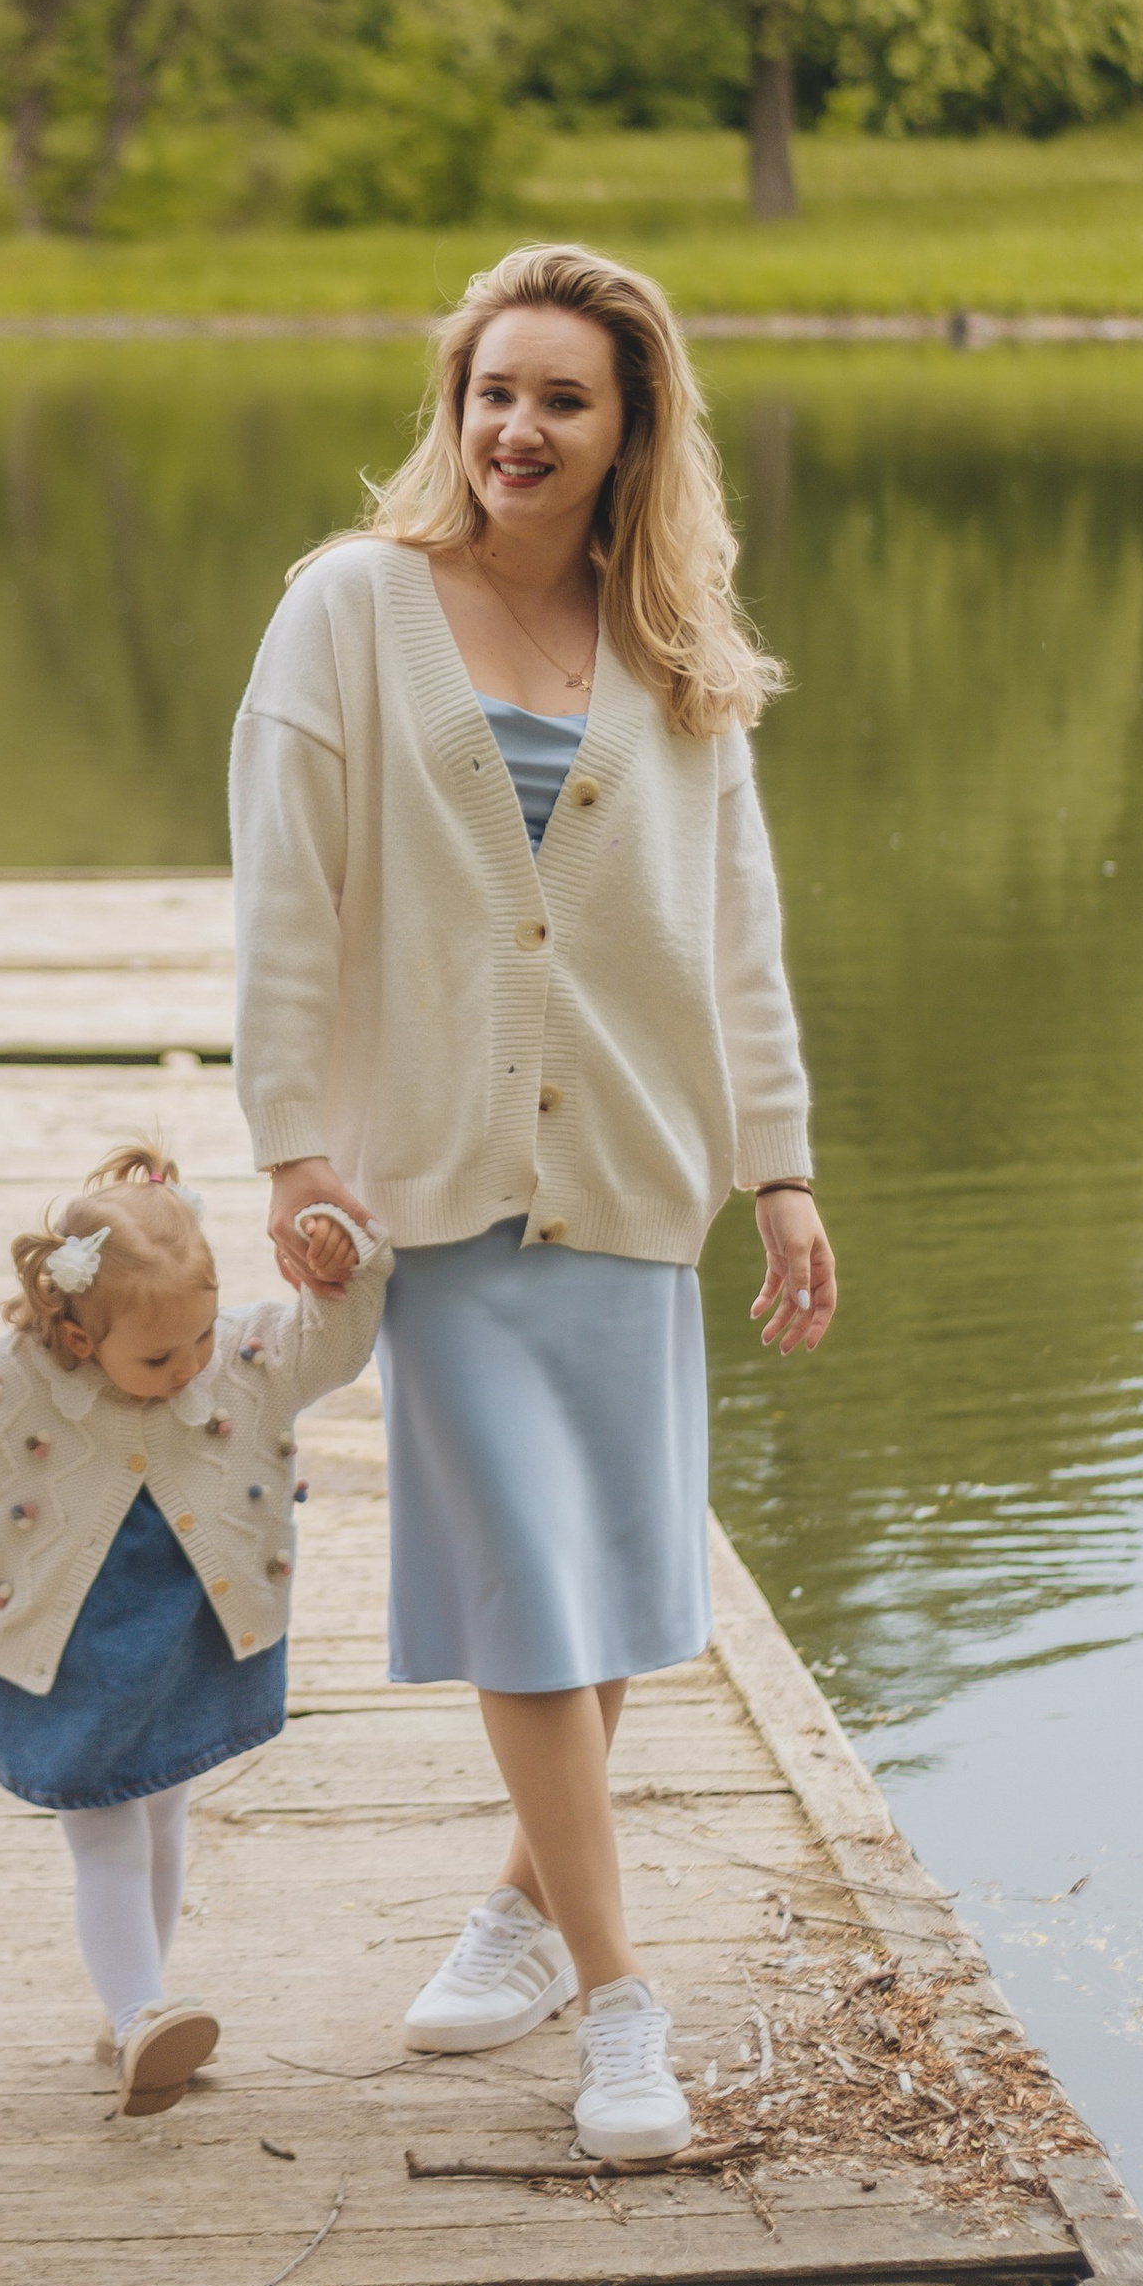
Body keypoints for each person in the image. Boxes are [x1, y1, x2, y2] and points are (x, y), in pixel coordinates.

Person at [228, 241, 837, 2168]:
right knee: (521, 1589)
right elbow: (286, 894)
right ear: (455, 403)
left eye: (563, 398)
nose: (518, 429)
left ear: (628, 427)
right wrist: (291, 1144)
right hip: (441, 1181)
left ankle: (516, 1910)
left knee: (613, 1591)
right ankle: (621, 2003)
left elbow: (735, 934)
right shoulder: (354, 608)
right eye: (494, 391)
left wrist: (784, 1166)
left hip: (638, 1172)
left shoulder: (679, 648)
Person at [0, 1143, 389, 2118]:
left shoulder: (237, 1357)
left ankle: (132, 2000)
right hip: (74, 1646)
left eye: (198, 1340)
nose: (189, 1367)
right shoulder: (18, 1381)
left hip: (193, 1629)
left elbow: (336, 1346)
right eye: (157, 1357)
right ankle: (142, 2007)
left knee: (161, 1807)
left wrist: (343, 1264)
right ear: (71, 1330)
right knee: (104, 1830)